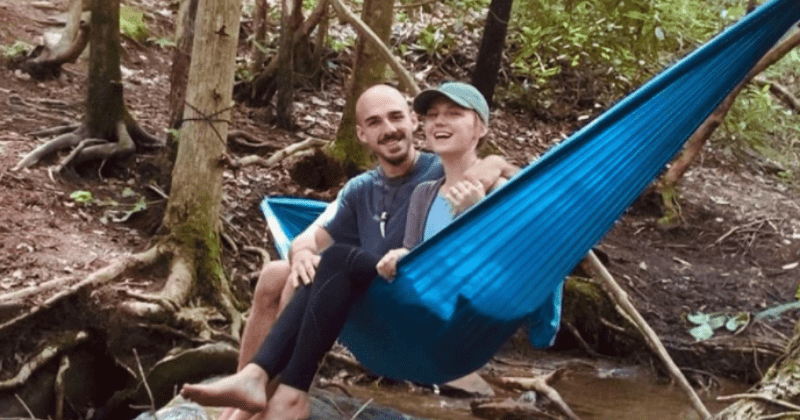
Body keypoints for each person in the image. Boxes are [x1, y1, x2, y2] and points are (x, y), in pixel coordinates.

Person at [189, 83, 517, 420]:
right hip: (371, 289)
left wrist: (493, 165)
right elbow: (306, 239)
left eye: (396, 117)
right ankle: (244, 398)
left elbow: (515, 191)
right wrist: (301, 254)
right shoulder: (366, 188)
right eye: (375, 122)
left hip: (411, 299)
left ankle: (271, 400)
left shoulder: (441, 167)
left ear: (412, 122)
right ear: (361, 134)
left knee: (320, 268)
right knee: (279, 273)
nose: (389, 129)